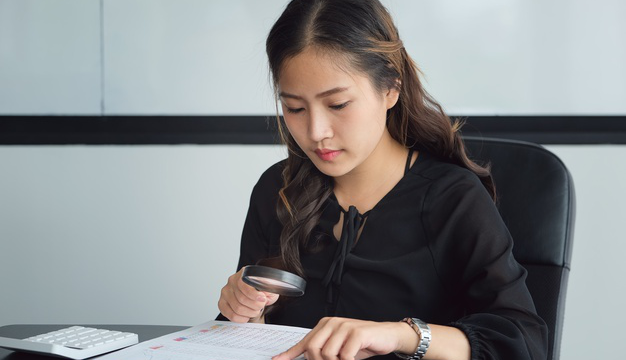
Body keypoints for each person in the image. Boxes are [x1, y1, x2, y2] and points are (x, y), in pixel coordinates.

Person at [218, 0, 548, 359]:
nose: (316, 132)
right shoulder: (276, 191)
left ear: (390, 87)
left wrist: (401, 336)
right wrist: (245, 313)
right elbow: (250, 339)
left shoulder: (452, 199)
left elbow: (523, 342)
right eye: (294, 108)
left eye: (338, 104)